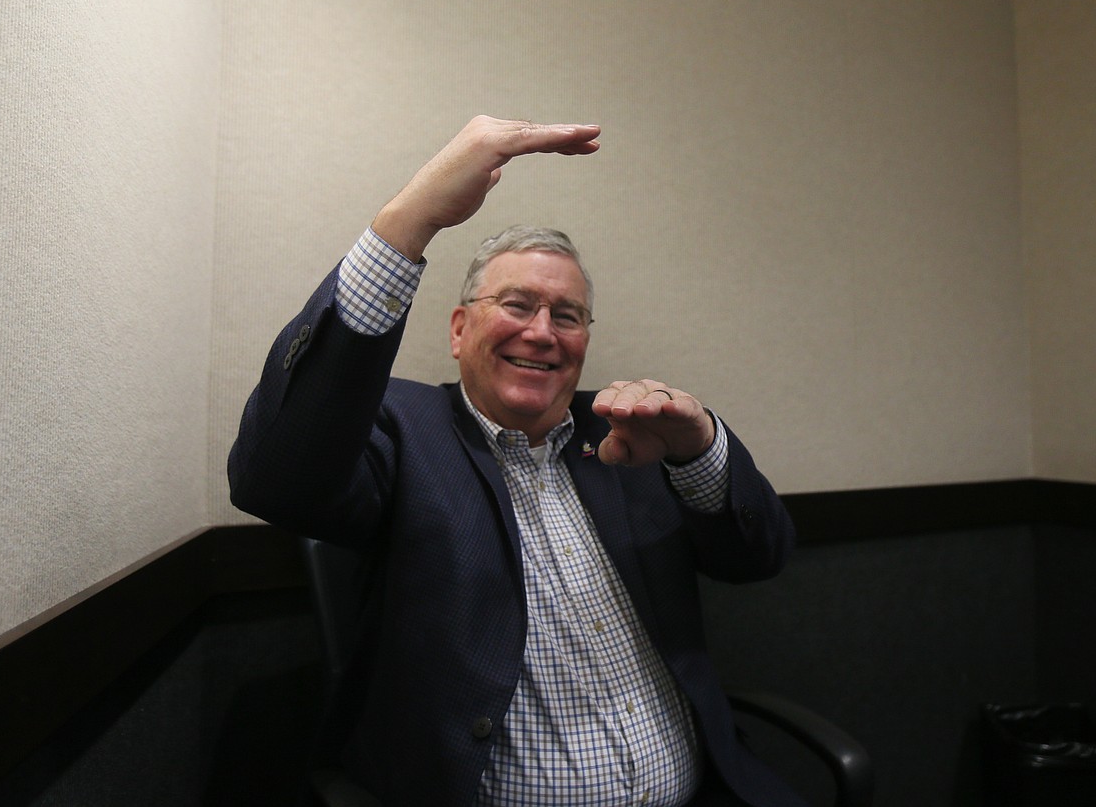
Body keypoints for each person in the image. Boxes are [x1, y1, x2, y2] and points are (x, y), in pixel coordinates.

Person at [228, 116, 805, 807]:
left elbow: (761, 555)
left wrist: (698, 447)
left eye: (567, 315)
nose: (542, 331)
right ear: (459, 327)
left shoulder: (629, 434)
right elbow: (273, 478)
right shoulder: (402, 428)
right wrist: (409, 220)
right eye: (517, 304)